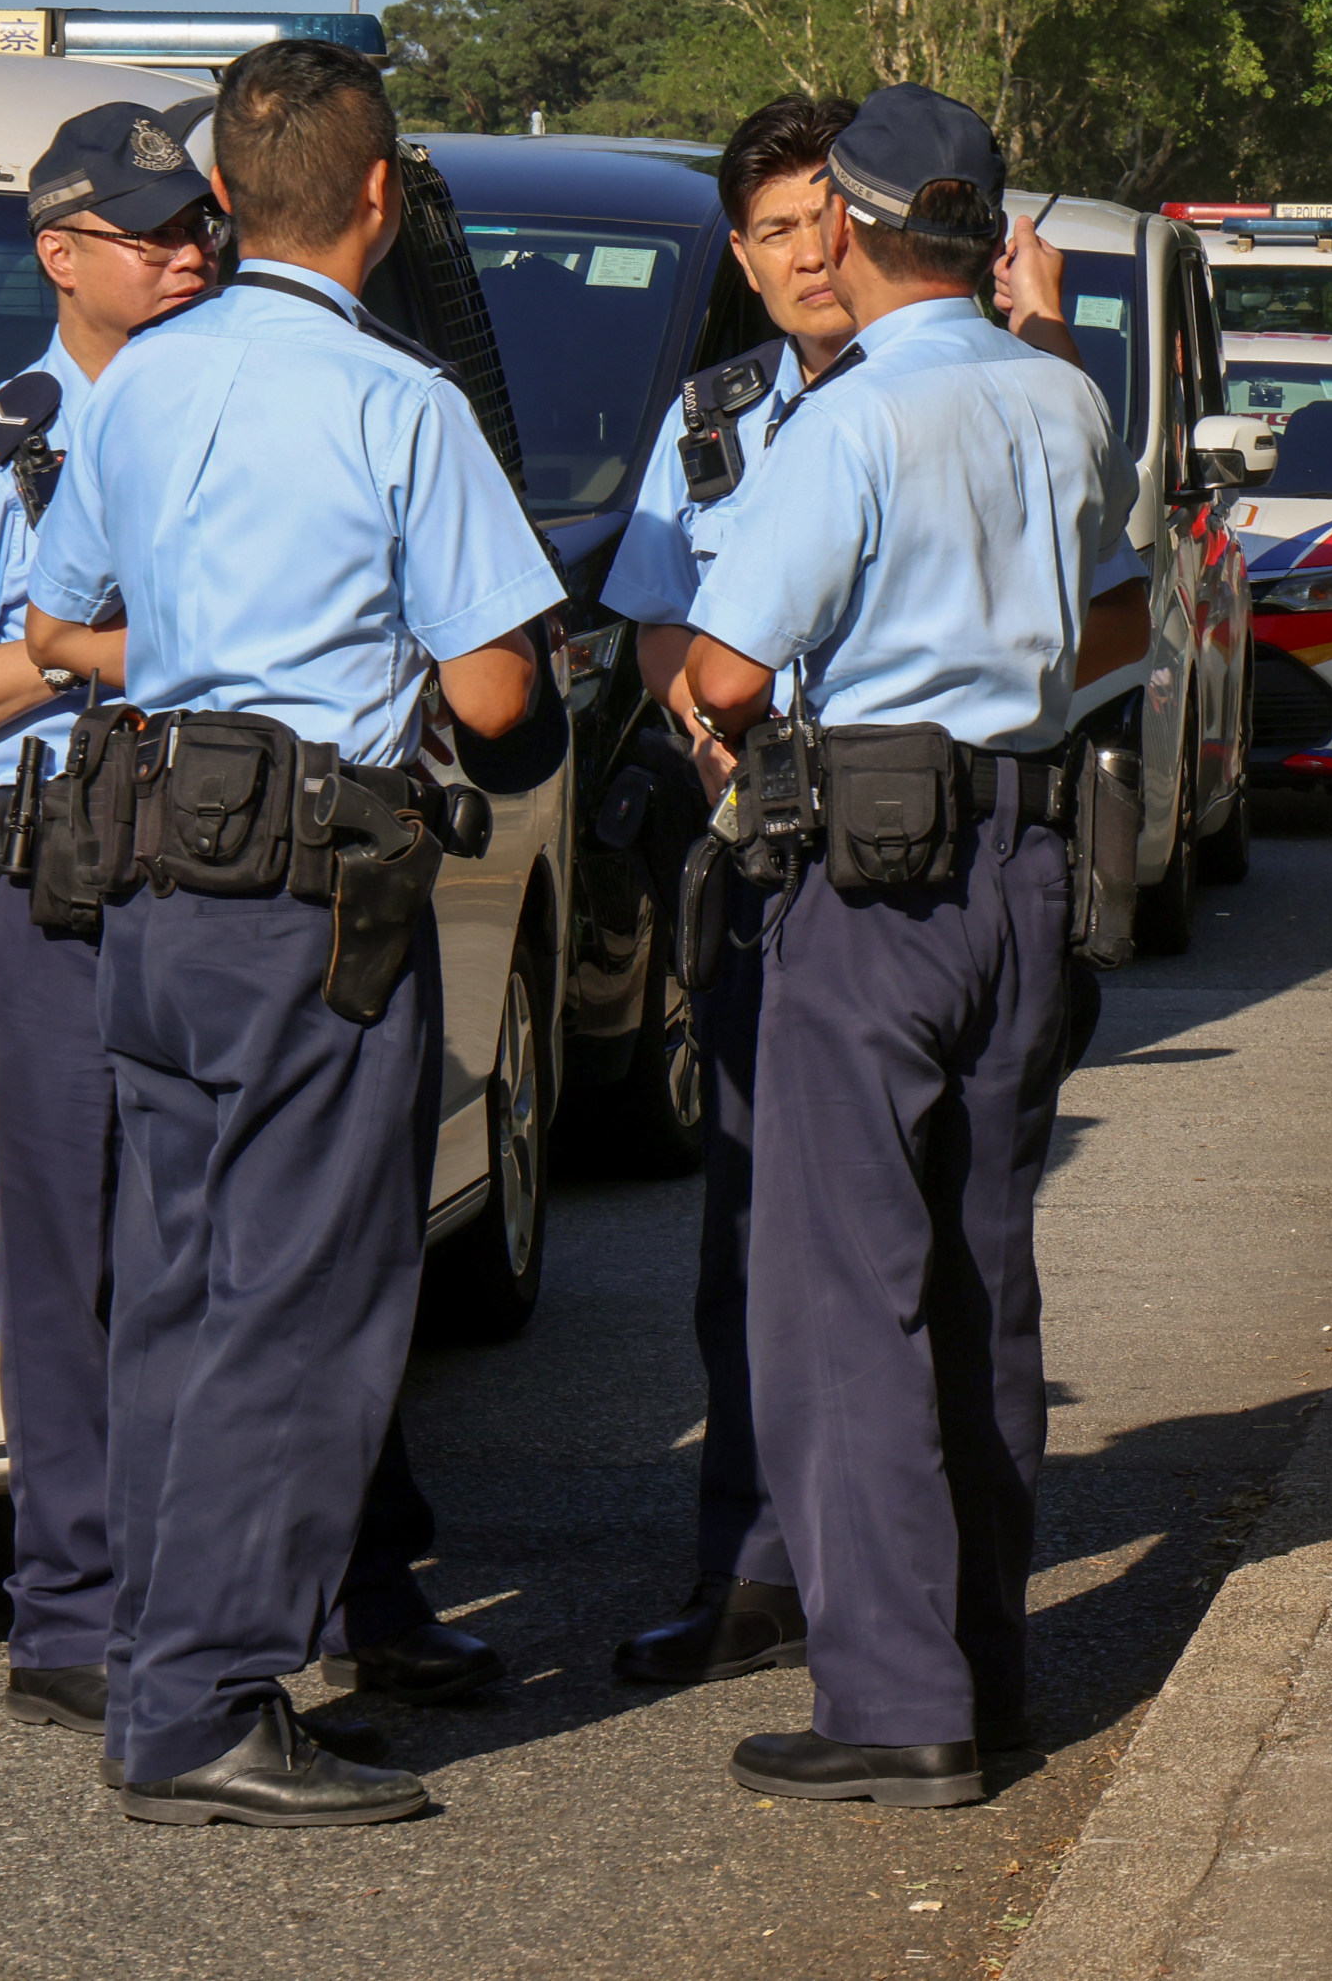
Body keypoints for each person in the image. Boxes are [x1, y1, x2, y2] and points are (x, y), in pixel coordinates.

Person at [0, 102, 503, 1775]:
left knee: (264, 1245)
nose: (186, 253)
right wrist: (97, 659)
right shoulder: (8, 442)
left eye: (198, 223)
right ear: (61, 254)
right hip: (82, 862)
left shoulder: (247, 376)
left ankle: (336, 1586)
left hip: (220, 861)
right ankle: (91, 1612)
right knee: (121, 1261)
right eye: (149, 234)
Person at [23, 41, 561, 1827]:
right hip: (314, 890)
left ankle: (156, 1660)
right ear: (386, 195)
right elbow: (496, 690)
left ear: (227, 200)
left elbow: (65, 603)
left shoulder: (138, 382)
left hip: (151, 875)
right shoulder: (402, 401)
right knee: (307, 1299)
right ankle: (204, 1703)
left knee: (176, 1285)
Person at [676, 84, 1119, 1808]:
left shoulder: (848, 424)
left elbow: (721, 667)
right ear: (987, 236)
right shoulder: (1069, 398)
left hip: (871, 868)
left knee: (838, 1293)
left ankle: (892, 1697)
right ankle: (987, 1671)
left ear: (853, 229)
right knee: (978, 1278)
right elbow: (1094, 602)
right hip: (1023, 850)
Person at [595, 94, 855, 1688]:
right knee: (748, 1235)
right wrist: (708, 745)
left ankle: (903, 1569)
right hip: (764, 863)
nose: (803, 250)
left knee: (909, 1236)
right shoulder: (714, 420)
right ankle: (748, 1565)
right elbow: (651, 614)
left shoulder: (951, 391)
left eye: (824, 213)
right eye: (768, 228)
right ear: (740, 259)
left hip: (925, 860)